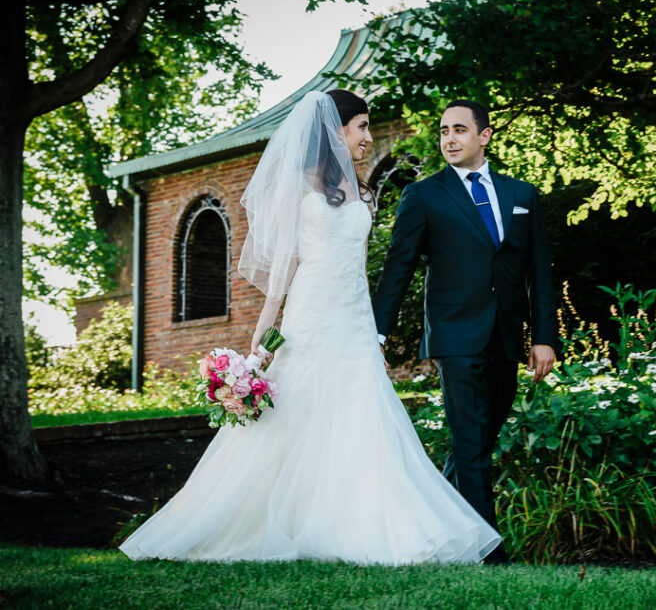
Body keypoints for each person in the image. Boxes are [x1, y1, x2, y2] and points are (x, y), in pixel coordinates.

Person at [118, 90, 500, 563]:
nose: (367, 136)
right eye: (361, 126)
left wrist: (373, 329)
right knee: (294, 413)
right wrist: (263, 331)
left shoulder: (363, 191)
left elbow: (358, 266)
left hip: (354, 319)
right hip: (310, 315)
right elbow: (284, 269)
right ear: (335, 130)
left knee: (366, 414)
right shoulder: (299, 187)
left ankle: (367, 526)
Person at [371, 99, 558, 563]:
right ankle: (485, 552)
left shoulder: (522, 195)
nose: (449, 139)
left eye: (459, 130)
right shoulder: (424, 195)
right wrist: (376, 333)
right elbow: (400, 267)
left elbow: (540, 270)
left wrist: (544, 335)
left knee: (480, 439)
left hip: (508, 336)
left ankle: (440, 528)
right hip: (454, 335)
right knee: (471, 441)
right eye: (443, 131)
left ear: (484, 136)